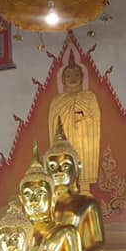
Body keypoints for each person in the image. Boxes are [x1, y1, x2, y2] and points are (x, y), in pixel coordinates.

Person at [43, 120, 126, 251]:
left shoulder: (86, 201)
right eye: (53, 167)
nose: (59, 171)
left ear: (77, 168)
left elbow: (97, 244)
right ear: (45, 171)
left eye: (65, 165)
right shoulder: (42, 206)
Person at [48, 53, 102, 192]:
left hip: (84, 141)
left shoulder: (89, 97)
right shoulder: (57, 100)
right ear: (63, 80)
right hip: (65, 141)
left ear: (82, 77)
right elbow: (53, 125)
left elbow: (95, 120)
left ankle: (84, 186)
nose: (73, 78)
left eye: (76, 75)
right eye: (68, 76)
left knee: (82, 168)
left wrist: (83, 118)